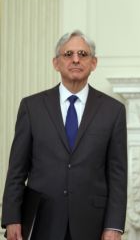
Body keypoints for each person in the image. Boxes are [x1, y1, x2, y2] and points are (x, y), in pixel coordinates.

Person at [1, 30, 127, 240]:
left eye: (83, 54)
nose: (76, 59)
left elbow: (117, 175)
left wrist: (114, 225)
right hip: (42, 221)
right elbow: (16, 169)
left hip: (92, 223)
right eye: (68, 54)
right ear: (56, 63)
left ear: (94, 63)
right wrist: (12, 217)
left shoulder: (113, 111)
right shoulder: (32, 107)